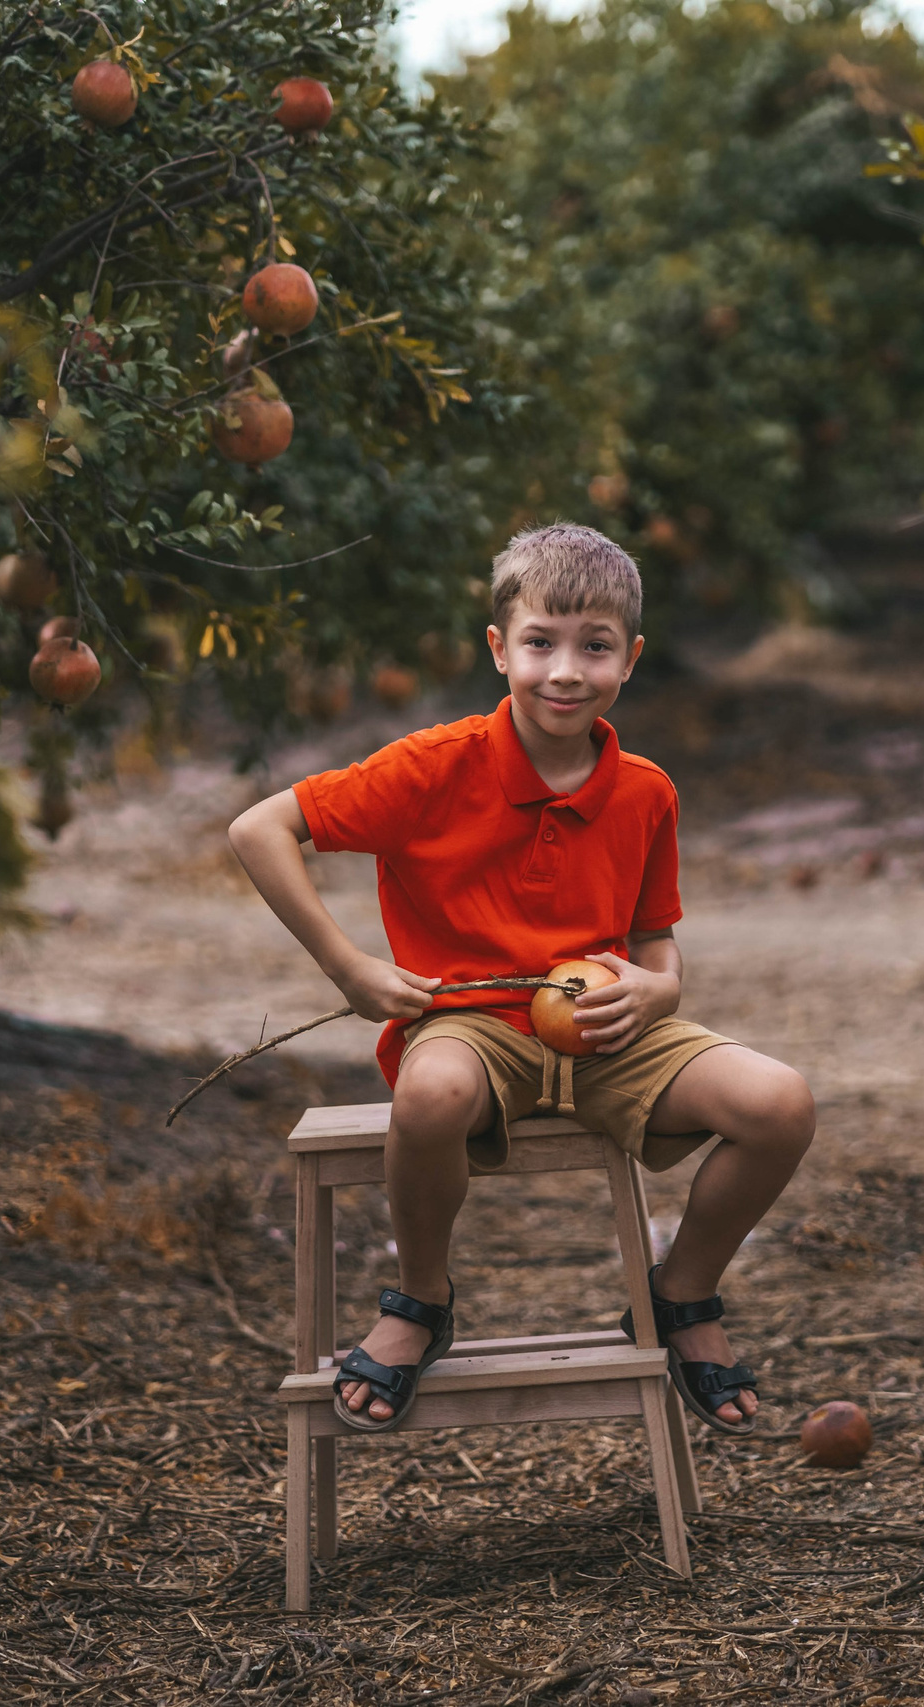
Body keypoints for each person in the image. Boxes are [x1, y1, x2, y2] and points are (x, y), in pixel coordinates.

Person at [228, 523, 815, 1436]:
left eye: (596, 646)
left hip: (606, 1030)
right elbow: (258, 829)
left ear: (632, 658)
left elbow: (658, 946)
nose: (566, 670)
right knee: (431, 1094)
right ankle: (421, 1299)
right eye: (541, 642)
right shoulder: (432, 767)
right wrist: (349, 968)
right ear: (500, 647)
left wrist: (656, 992)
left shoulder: (646, 790)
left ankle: (680, 1294)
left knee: (780, 1102)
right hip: (472, 1024)